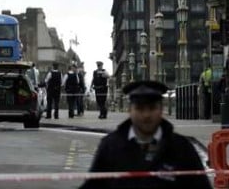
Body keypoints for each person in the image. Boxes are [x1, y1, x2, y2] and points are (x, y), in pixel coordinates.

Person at [79, 80, 210, 188]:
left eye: (152, 108)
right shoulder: (110, 146)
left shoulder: (181, 148)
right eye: (140, 108)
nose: (146, 115)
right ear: (129, 110)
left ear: (161, 109)